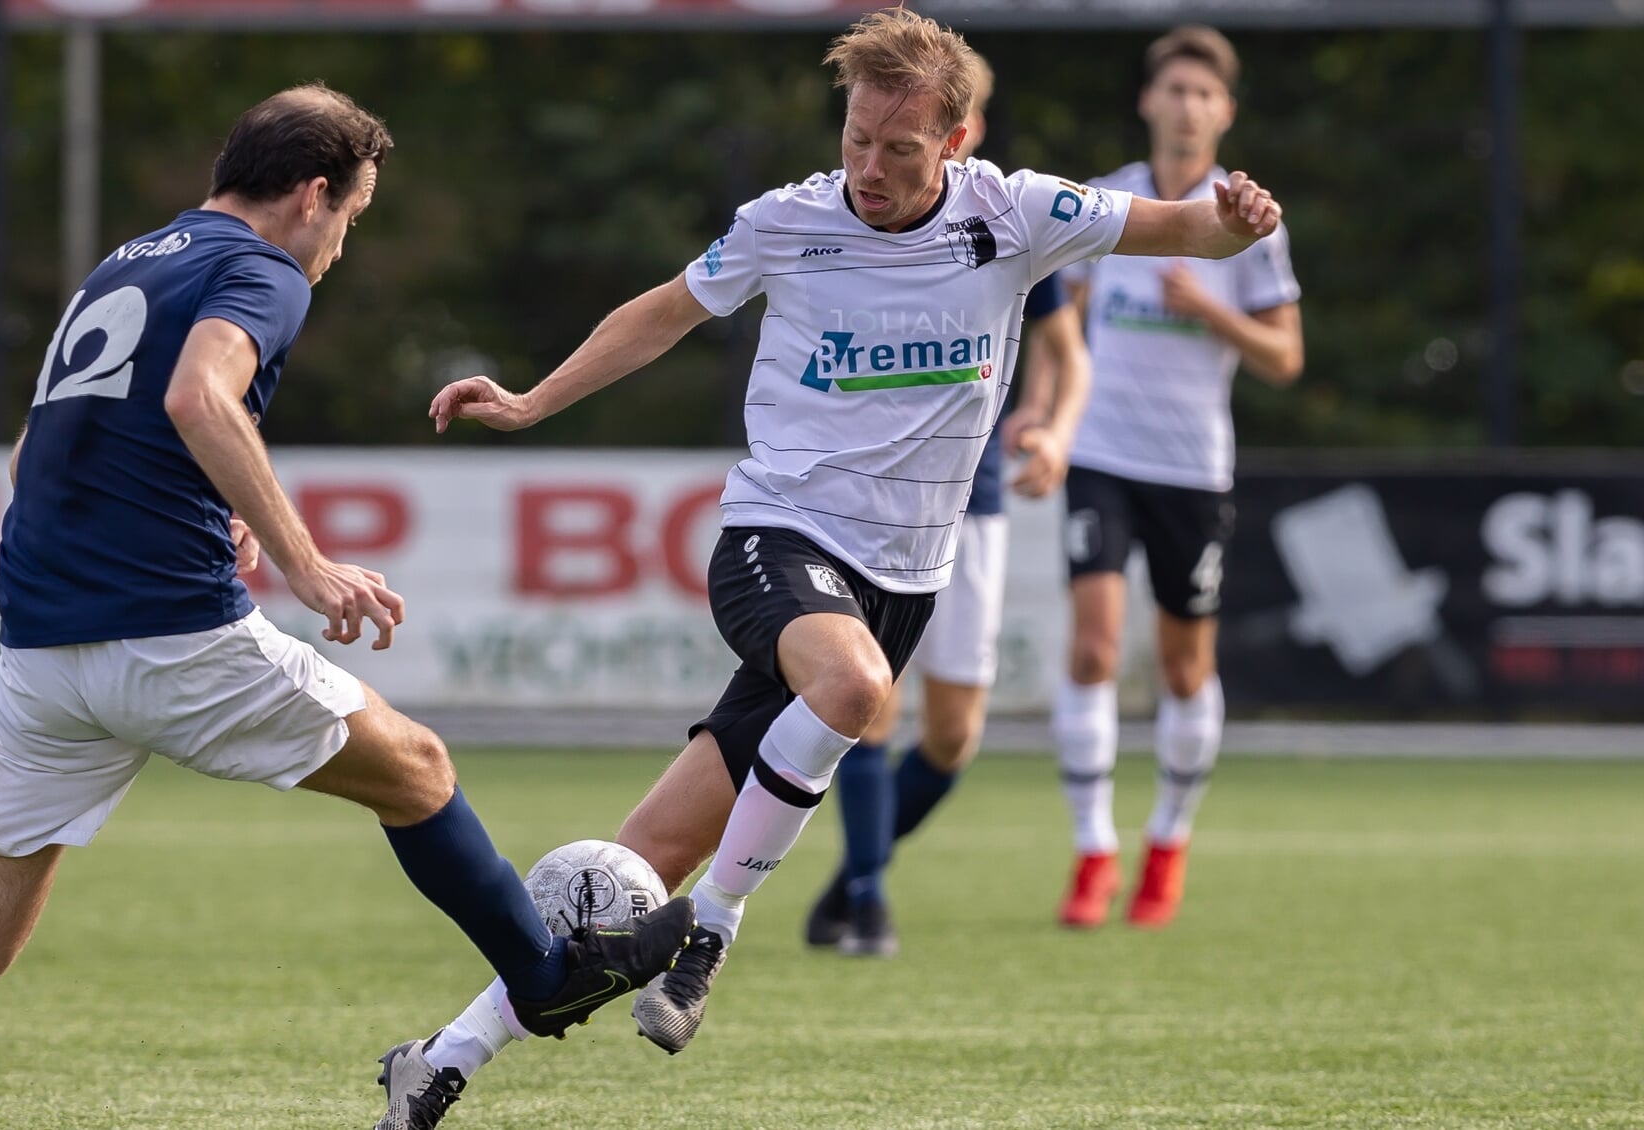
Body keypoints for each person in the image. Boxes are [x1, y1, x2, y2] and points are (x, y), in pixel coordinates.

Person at [378, 10, 1287, 1127]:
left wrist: (1235, 225)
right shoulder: (789, 221)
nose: (868, 167)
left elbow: (1183, 230)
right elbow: (663, 312)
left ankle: (442, 1055)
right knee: (858, 693)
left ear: (955, 141)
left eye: (898, 149)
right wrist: (530, 400)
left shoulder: (1018, 211)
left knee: (632, 871)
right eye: (857, 137)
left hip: (903, 584)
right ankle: (714, 929)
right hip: (779, 542)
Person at [0, 84, 692, 1130]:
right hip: (167, 636)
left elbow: (35, 454)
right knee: (417, 768)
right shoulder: (263, 268)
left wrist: (197, 504)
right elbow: (199, 396)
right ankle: (545, 973)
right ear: (314, 193)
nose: (338, 247)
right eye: (351, 219)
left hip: (43, 659)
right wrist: (305, 561)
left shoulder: (129, 262)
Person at [803, 53, 1095, 957]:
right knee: (874, 706)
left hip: (979, 502)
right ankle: (871, 900)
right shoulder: (842, 223)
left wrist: (1050, 427)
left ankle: (851, 878)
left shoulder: (1009, 225)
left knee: (956, 736)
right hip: (875, 503)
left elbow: (1066, 353)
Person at [1051, 25, 1304, 930]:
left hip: (1193, 469)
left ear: (1225, 111)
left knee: (1186, 668)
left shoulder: (1247, 217)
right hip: (1100, 457)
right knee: (1092, 648)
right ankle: (1093, 852)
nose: (1189, 106)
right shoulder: (1106, 204)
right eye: (1175, 90)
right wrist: (1044, 420)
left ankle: (1167, 841)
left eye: (1206, 93)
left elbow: (1285, 358)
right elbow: (1061, 328)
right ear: (1150, 102)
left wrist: (1209, 308)